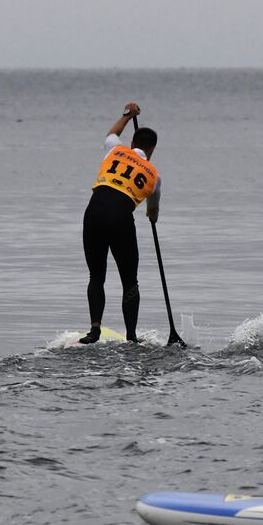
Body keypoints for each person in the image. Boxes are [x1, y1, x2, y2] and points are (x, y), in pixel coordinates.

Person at [78, 102, 161, 344]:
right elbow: (153, 213)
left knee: (96, 275)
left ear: (132, 144)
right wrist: (152, 215)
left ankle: (94, 330)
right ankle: (132, 337)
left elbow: (112, 134)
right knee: (130, 280)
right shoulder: (154, 176)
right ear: (152, 149)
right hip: (120, 220)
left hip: (93, 213)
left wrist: (127, 115)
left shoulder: (115, 150)